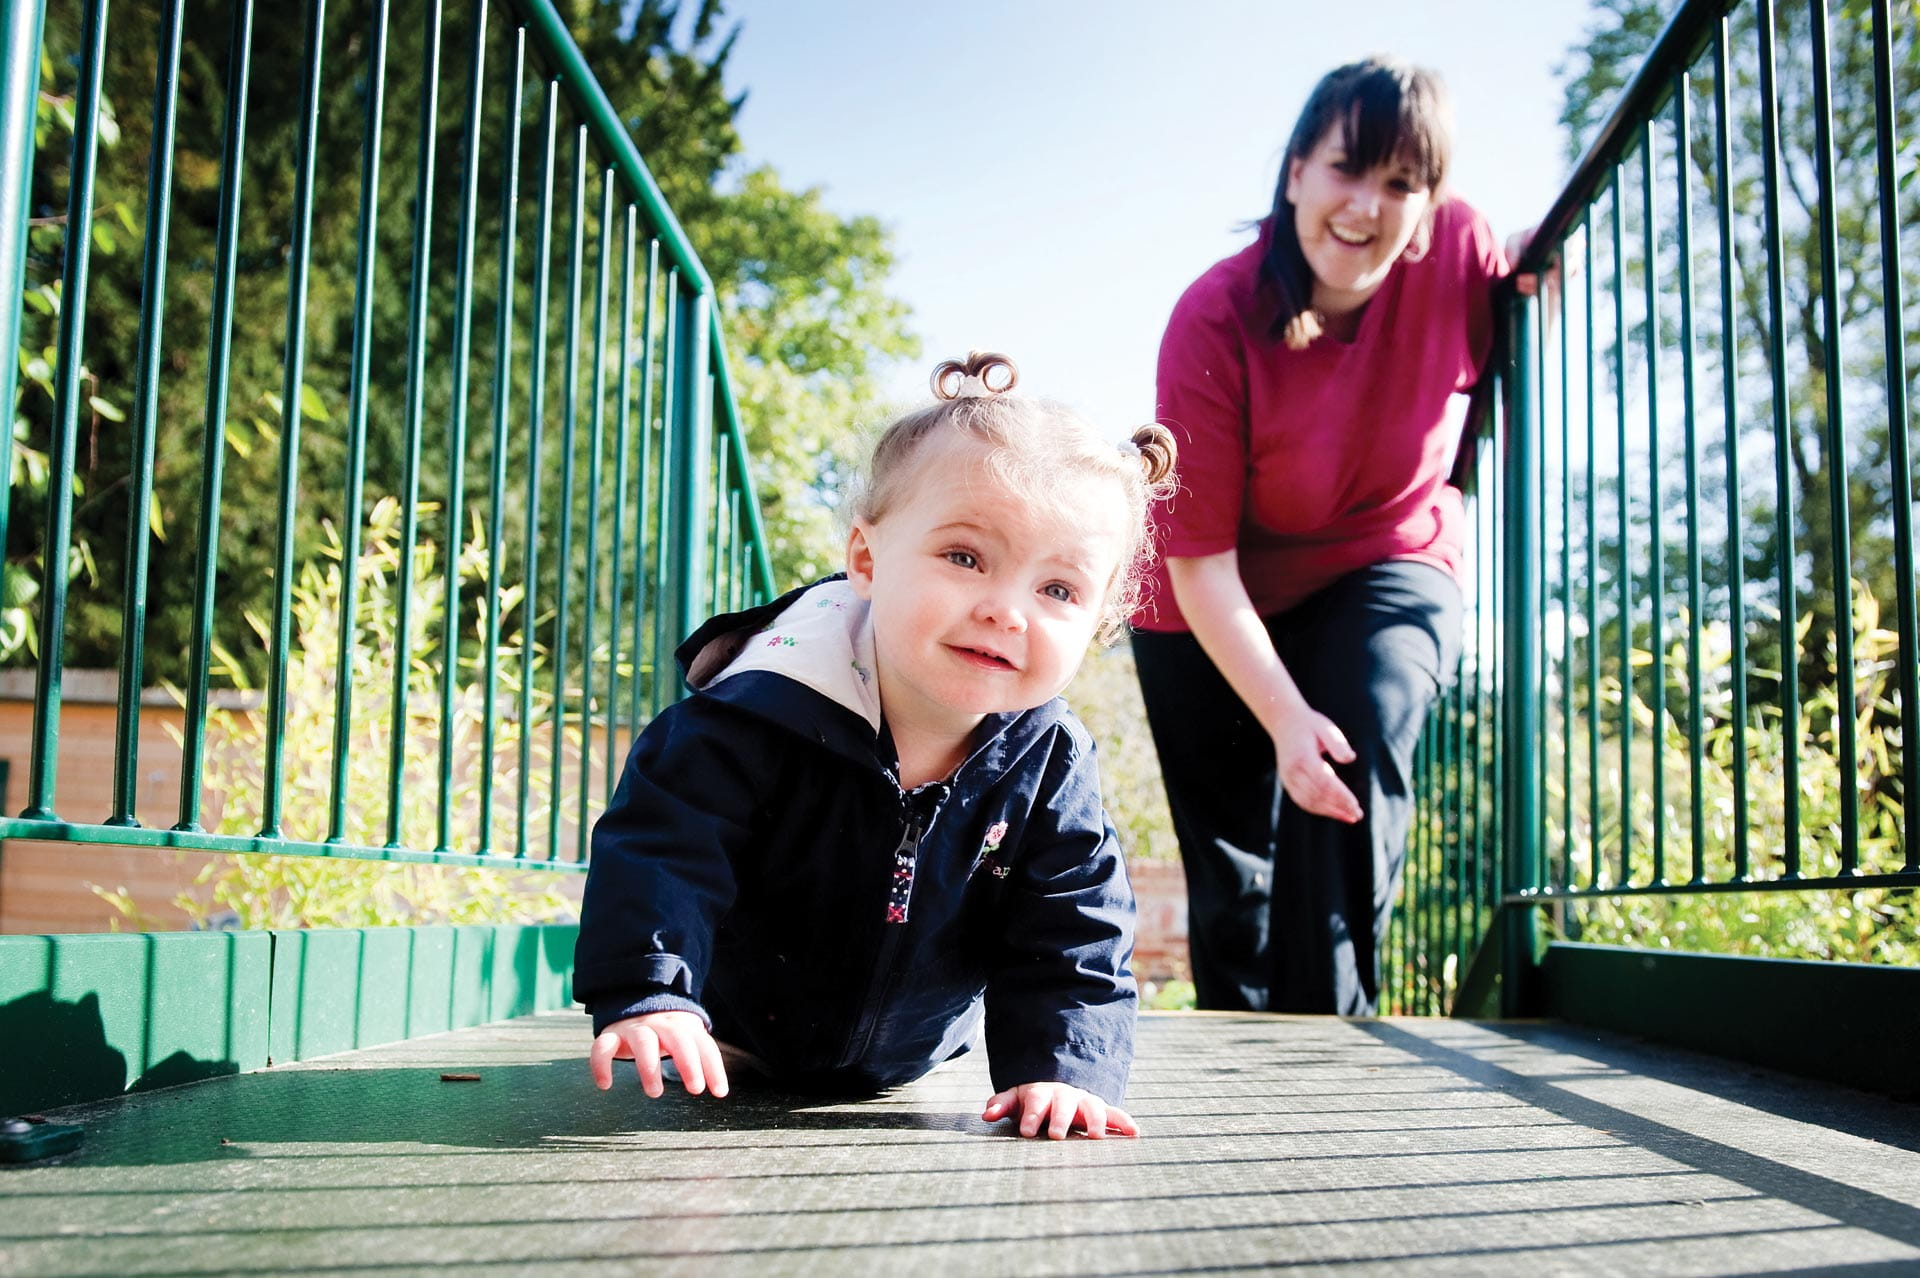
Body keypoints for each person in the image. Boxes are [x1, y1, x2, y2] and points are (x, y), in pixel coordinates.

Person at [576, 352, 1178, 1140]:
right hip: (730, 1040)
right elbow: (663, 852)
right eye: (965, 558)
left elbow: (1074, 923)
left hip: (909, 1058)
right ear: (865, 560)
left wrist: (1062, 1069)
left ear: (1100, 623)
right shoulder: (755, 716)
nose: (1008, 611)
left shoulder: (1047, 762)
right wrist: (653, 991)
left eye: (1058, 590)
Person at [1132, 57, 1521, 1015]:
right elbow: (1201, 564)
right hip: (1207, 600)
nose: (1367, 207)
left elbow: (1519, 286)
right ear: (1296, 168)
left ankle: (1338, 1042)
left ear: (1431, 202)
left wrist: (1536, 280)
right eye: (1347, 170)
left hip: (1386, 558)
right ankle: (1243, 1076)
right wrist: (1280, 715)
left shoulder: (1459, 251)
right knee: (1236, 891)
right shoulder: (1212, 317)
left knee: (1356, 743)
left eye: (1401, 184)